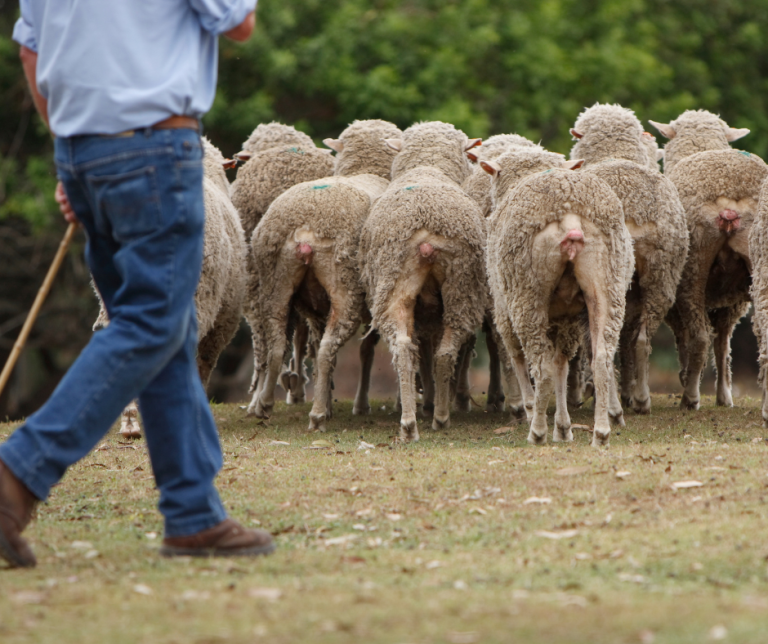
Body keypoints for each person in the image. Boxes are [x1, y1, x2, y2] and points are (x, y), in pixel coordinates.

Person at [0, 0, 274, 569]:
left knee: (167, 330)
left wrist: (78, 153)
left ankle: (193, 515)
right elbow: (239, 21)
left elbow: (31, 48)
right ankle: (17, 472)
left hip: (81, 149)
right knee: (151, 321)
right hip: (151, 147)